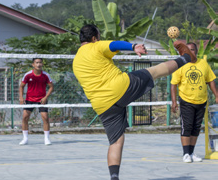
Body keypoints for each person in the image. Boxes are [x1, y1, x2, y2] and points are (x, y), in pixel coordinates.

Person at [72, 24, 196, 180]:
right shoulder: (96, 46)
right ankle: (186, 57)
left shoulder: (76, 62)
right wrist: (134, 46)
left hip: (102, 105)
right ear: (94, 38)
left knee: (115, 142)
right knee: (155, 72)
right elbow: (115, 44)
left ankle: (114, 177)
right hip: (120, 87)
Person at [171, 42, 218, 163]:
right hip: (187, 101)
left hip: (201, 101)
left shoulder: (203, 63)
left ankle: (191, 152)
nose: (190, 52)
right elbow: (173, 84)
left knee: (196, 128)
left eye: (192, 49)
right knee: (187, 127)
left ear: (196, 51)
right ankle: (186, 153)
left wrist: (216, 95)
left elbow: (211, 80)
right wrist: (174, 101)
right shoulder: (180, 64)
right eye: (188, 49)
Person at [19, 58, 54, 145]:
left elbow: (51, 87)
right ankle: (25, 138)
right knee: (25, 118)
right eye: (37, 62)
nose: (38, 64)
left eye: (40, 62)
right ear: (33, 64)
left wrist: (45, 97)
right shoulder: (28, 75)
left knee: (45, 117)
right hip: (29, 99)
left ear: (42, 64)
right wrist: (21, 97)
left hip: (42, 99)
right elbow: (21, 86)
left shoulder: (45, 75)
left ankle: (46, 139)